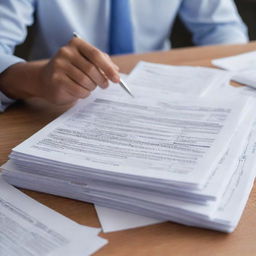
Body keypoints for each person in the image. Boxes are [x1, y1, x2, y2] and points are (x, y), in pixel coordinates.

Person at [0, 0, 248, 111]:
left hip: (162, 91)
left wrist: (223, 86)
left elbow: (222, 30)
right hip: (54, 103)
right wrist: (36, 80)